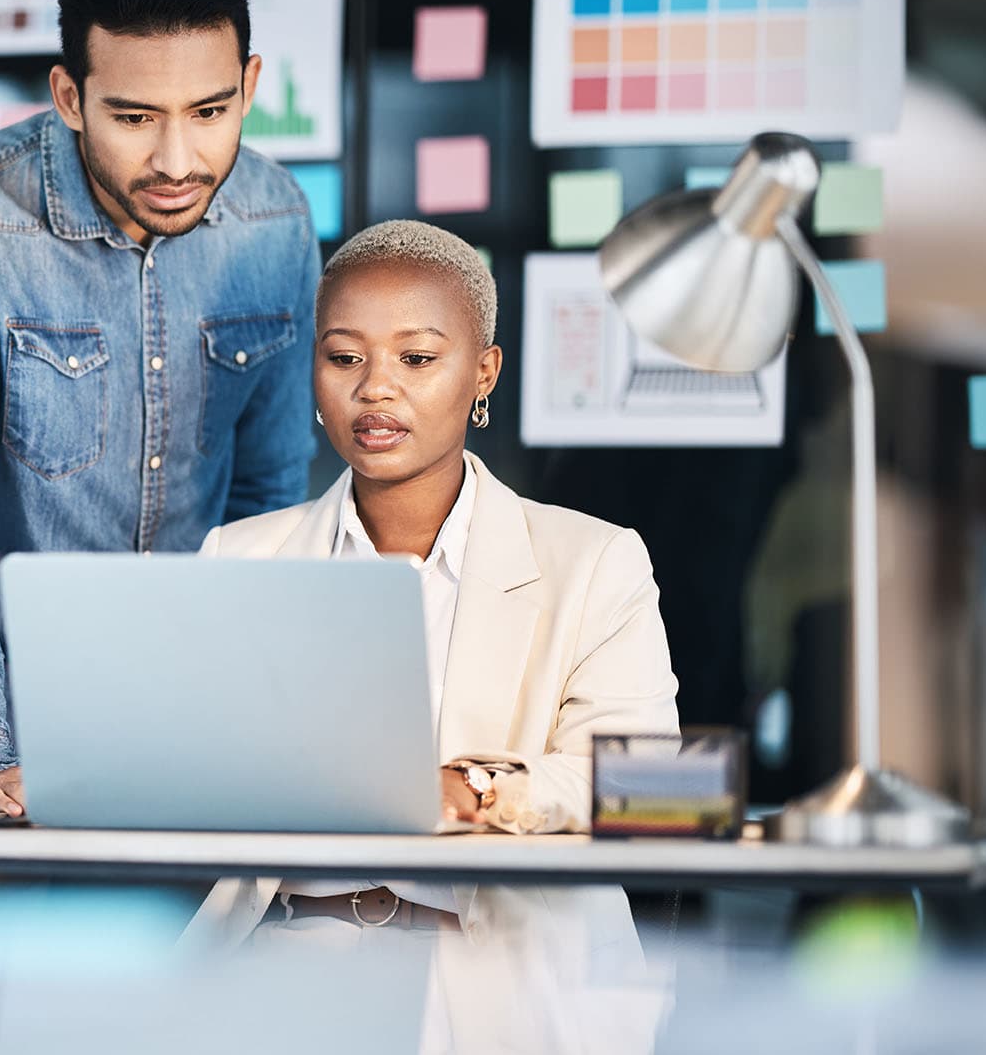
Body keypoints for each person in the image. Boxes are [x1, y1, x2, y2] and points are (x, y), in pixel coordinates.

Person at [0, 0, 322, 813]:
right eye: (136, 118)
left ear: (250, 86)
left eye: (210, 112)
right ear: (70, 95)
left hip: (182, 745)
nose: (179, 160)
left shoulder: (276, 221)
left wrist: (263, 727)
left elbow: (269, 501)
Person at [185, 220, 682, 961]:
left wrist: (476, 787)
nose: (375, 386)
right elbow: (193, 771)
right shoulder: (241, 557)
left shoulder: (595, 560)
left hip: (504, 973)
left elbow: (662, 789)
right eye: (344, 356)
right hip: (281, 961)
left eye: (417, 357)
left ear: (484, 373)